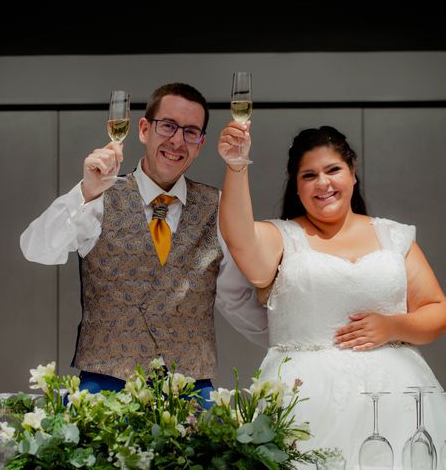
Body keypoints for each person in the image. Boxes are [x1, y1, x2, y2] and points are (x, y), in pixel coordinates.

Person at [217, 123, 446, 469]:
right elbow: (239, 237)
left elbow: (439, 312)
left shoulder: (393, 235)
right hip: (305, 401)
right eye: (309, 175)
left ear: (352, 172)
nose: (323, 183)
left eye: (333, 170)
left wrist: (393, 327)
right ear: (296, 187)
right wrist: (237, 166)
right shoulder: (281, 236)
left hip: (395, 401)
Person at [20, 83, 267, 406]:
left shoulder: (216, 206)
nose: (177, 141)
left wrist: (296, 339)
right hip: (104, 392)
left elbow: (236, 299)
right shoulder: (99, 196)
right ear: (143, 129)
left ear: (201, 143)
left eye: (191, 132)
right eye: (167, 126)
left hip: (190, 395)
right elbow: (37, 249)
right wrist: (85, 192)